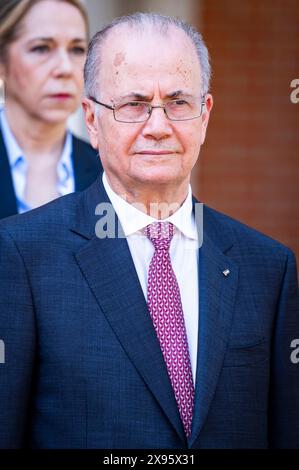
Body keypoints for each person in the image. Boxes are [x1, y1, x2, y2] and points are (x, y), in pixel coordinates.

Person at [0, 12, 298, 449]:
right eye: (133, 104)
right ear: (92, 120)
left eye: (178, 102)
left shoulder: (269, 269)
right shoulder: (22, 255)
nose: (158, 127)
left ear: (205, 115)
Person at [0, 0, 101, 219]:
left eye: (77, 49)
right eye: (42, 48)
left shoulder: (108, 169)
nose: (65, 68)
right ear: (2, 61)